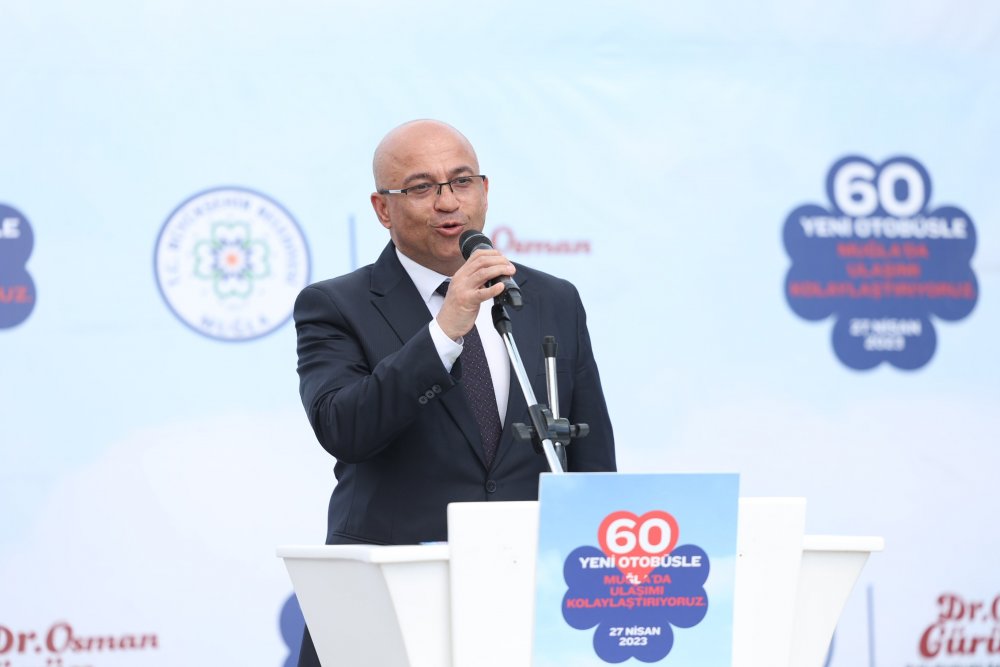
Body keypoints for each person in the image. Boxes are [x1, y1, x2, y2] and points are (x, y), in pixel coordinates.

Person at [292, 119, 616, 666]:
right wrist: (444, 332)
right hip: (393, 598)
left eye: (462, 181)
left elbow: (591, 459)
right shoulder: (336, 305)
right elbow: (344, 427)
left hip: (526, 595)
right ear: (382, 209)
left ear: (484, 191)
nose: (448, 202)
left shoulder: (550, 299)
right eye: (421, 188)